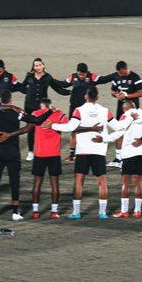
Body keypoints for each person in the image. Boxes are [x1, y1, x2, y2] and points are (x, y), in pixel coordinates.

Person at [52, 86, 113, 219]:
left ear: (85, 96)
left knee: (79, 181)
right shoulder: (105, 111)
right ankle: (102, 213)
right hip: (99, 150)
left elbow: (70, 127)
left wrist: (53, 126)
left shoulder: (79, 110)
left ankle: (76, 212)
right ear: (97, 97)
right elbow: (118, 126)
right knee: (102, 182)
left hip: (83, 151)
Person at [21, 97, 67, 218]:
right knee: (55, 185)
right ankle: (54, 212)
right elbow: (69, 126)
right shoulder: (60, 114)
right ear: (50, 105)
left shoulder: (36, 114)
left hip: (40, 154)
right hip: (54, 154)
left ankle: (35, 212)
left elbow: (27, 128)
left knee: (37, 184)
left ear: (41, 106)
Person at [0, 90, 28, 221]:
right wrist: (11, 134)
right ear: (11, 101)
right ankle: (15, 212)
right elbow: (29, 126)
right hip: (13, 152)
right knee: (14, 181)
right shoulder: (17, 113)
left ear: (0, 100)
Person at [14, 58, 67, 161]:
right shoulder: (29, 76)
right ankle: (30, 152)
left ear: (43, 66)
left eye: (39, 65)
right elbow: (22, 87)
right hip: (29, 106)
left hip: (42, 108)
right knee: (30, 128)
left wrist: (70, 92)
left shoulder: (48, 77)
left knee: (42, 128)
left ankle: (40, 150)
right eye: (35, 65)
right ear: (33, 67)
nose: (37, 67)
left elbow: (58, 89)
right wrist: (29, 92)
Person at [57, 64, 111, 162]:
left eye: (83, 75)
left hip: (87, 110)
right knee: (74, 130)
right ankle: (72, 155)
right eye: (80, 74)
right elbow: (63, 84)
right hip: (74, 108)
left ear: (87, 72)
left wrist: (115, 76)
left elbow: (104, 79)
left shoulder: (92, 77)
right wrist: (51, 80)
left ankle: (87, 152)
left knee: (87, 130)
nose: (81, 76)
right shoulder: (73, 77)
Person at [102, 60, 142, 168]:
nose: (120, 75)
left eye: (122, 73)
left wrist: (126, 96)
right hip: (121, 110)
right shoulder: (116, 77)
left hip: (133, 111)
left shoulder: (135, 77)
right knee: (119, 131)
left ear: (125, 69)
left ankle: (130, 158)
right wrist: (116, 94)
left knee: (131, 133)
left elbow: (141, 93)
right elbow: (112, 91)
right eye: (119, 73)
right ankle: (118, 158)